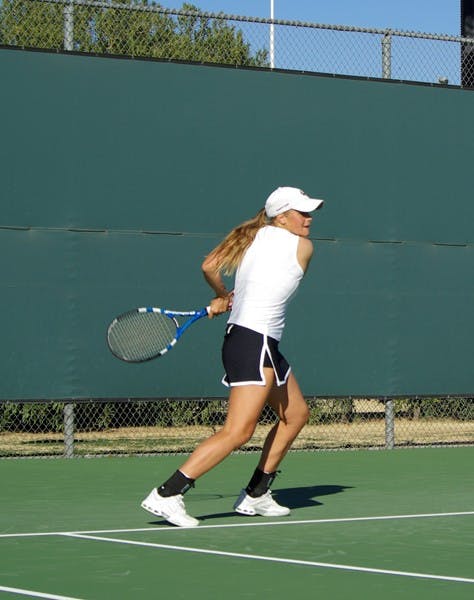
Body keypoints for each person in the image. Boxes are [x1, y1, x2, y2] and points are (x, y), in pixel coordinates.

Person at [141, 186, 324, 527]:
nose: (309, 219)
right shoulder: (303, 247)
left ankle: (256, 494)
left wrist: (222, 296)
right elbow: (273, 285)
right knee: (238, 432)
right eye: (302, 213)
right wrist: (230, 298)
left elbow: (210, 266)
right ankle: (168, 494)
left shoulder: (250, 236)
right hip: (254, 342)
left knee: (296, 415)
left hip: (254, 340)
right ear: (282, 217)